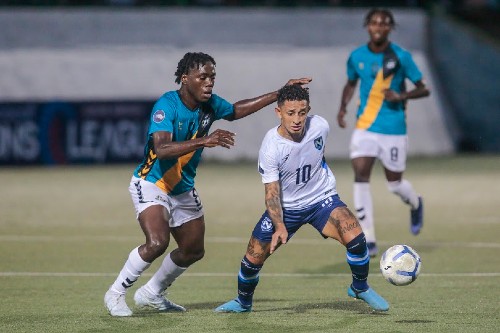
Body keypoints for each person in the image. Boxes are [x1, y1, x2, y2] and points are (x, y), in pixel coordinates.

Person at [104, 51, 312, 317]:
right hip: (151, 182)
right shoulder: (166, 105)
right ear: (185, 78)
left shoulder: (210, 104)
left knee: (193, 250)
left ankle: (152, 293)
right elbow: (163, 149)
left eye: (212, 77)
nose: (209, 82)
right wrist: (205, 140)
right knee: (157, 242)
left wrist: (280, 93)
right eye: (203, 76)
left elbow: (236, 111)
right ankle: (115, 293)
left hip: (183, 187)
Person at [214, 84, 389, 313]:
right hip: (286, 209)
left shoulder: (320, 126)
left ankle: (359, 287)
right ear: (278, 113)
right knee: (252, 259)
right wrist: (279, 226)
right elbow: (272, 193)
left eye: (302, 112)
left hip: (321, 199)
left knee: (355, 237)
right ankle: (242, 302)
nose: (297, 119)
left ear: (308, 110)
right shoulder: (271, 147)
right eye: (290, 113)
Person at [336, 8, 430, 257]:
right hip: (365, 127)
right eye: (374, 22)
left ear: (390, 28)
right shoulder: (356, 56)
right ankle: (367, 238)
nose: (379, 27)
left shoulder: (400, 56)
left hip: (394, 128)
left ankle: (415, 202)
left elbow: (423, 89)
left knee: (394, 184)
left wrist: (401, 95)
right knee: (361, 174)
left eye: (384, 23)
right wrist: (343, 107)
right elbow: (351, 82)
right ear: (367, 26)